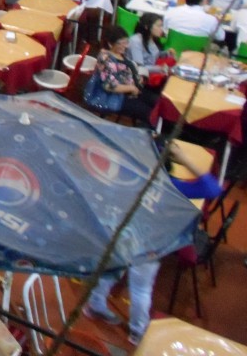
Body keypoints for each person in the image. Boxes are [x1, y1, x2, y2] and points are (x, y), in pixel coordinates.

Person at [83, 142, 221, 346]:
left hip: (121, 234)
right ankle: (137, 332)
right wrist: (185, 160)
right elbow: (213, 188)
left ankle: (95, 304)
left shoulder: (129, 177)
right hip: (148, 245)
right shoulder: (174, 187)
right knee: (140, 290)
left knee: (111, 271)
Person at [86, 25, 158, 124]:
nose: (125, 46)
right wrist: (131, 88)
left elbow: (128, 69)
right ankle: (151, 134)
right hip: (117, 97)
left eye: (126, 42)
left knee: (157, 102)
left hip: (132, 89)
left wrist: (138, 77)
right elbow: (109, 86)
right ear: (110, 44)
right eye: (121, 43)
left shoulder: (121, 53)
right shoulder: (105, 58)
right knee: (149, 113)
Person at [127, 13, 171, 80]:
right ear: (146, 26)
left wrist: (167, 53)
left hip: (150, 74)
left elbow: (152, 55)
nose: (161, 29)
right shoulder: (136, 41)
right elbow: (139, 67)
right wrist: (159, 68)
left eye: (162, 26)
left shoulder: (152, 38)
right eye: (158, 26)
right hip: (137, 77)